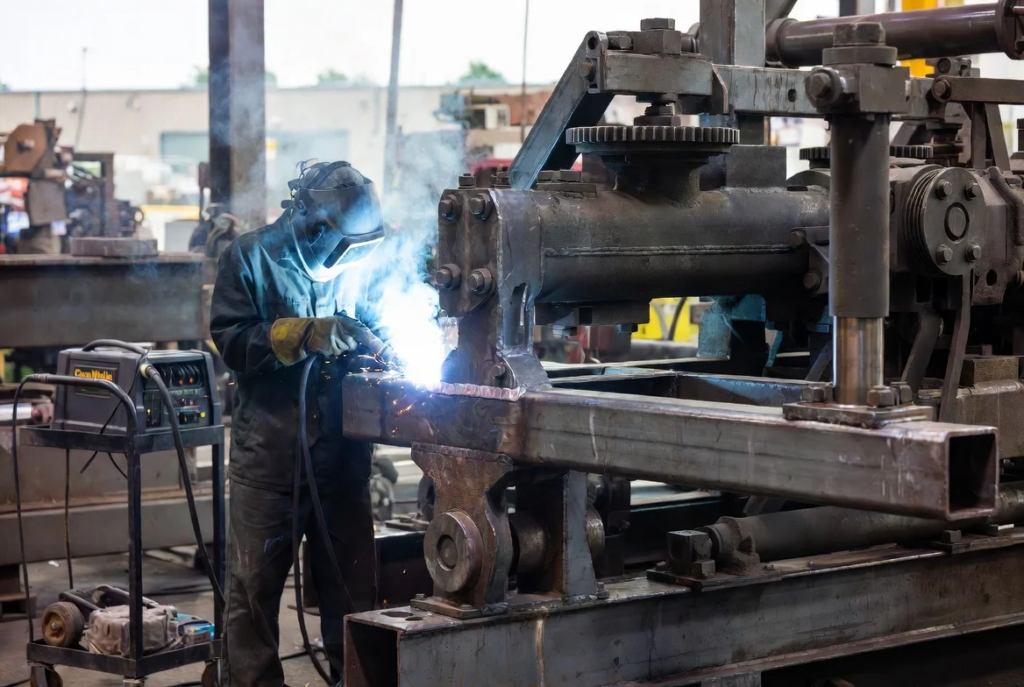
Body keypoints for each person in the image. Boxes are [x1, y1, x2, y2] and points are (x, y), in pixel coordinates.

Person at [210, 161, 387, 686]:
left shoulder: (358, 262)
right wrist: (304, 334)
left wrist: (388, 345)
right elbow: (234, 341)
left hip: (343, 460)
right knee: (252, 598)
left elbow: (377, 320)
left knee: (353, 593)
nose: (351, 257)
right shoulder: (250, 257)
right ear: (311, 227)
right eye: (344, 246)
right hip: (271, 459)